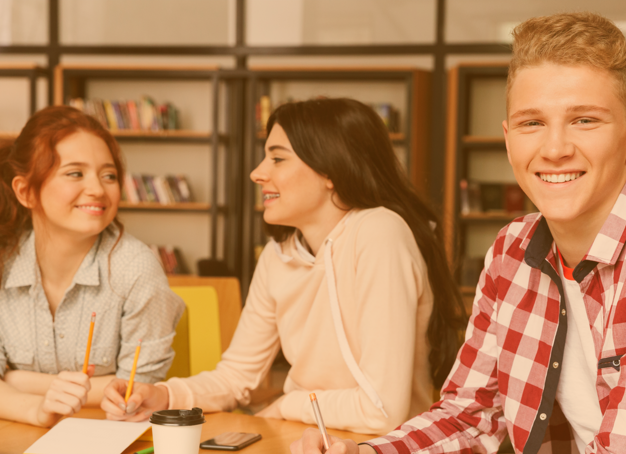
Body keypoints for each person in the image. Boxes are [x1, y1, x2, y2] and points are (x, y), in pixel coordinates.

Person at [240, 13, 626, 454]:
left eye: (584, 120)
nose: (555, 147)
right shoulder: (512, 250)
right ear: (507, 137)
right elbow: (470, 415)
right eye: (532, 123)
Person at [102, 97, 466, 435]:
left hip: (382, 452)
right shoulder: (278, 255)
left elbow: (382, 410)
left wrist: (288, 404)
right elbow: (237, 376)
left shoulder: (379, 232)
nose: (257, 173)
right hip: (307, 439)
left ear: (330, 169)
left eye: (277, 159)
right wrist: (164, 396)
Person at [0, 106, 184, 427]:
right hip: (17, 435)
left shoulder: (138, 269)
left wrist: (13, 380)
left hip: (108, 439)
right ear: (26, 191)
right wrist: (38, 409)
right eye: (75, 173)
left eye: (109, 175)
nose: (98, 189)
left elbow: (135, 392)